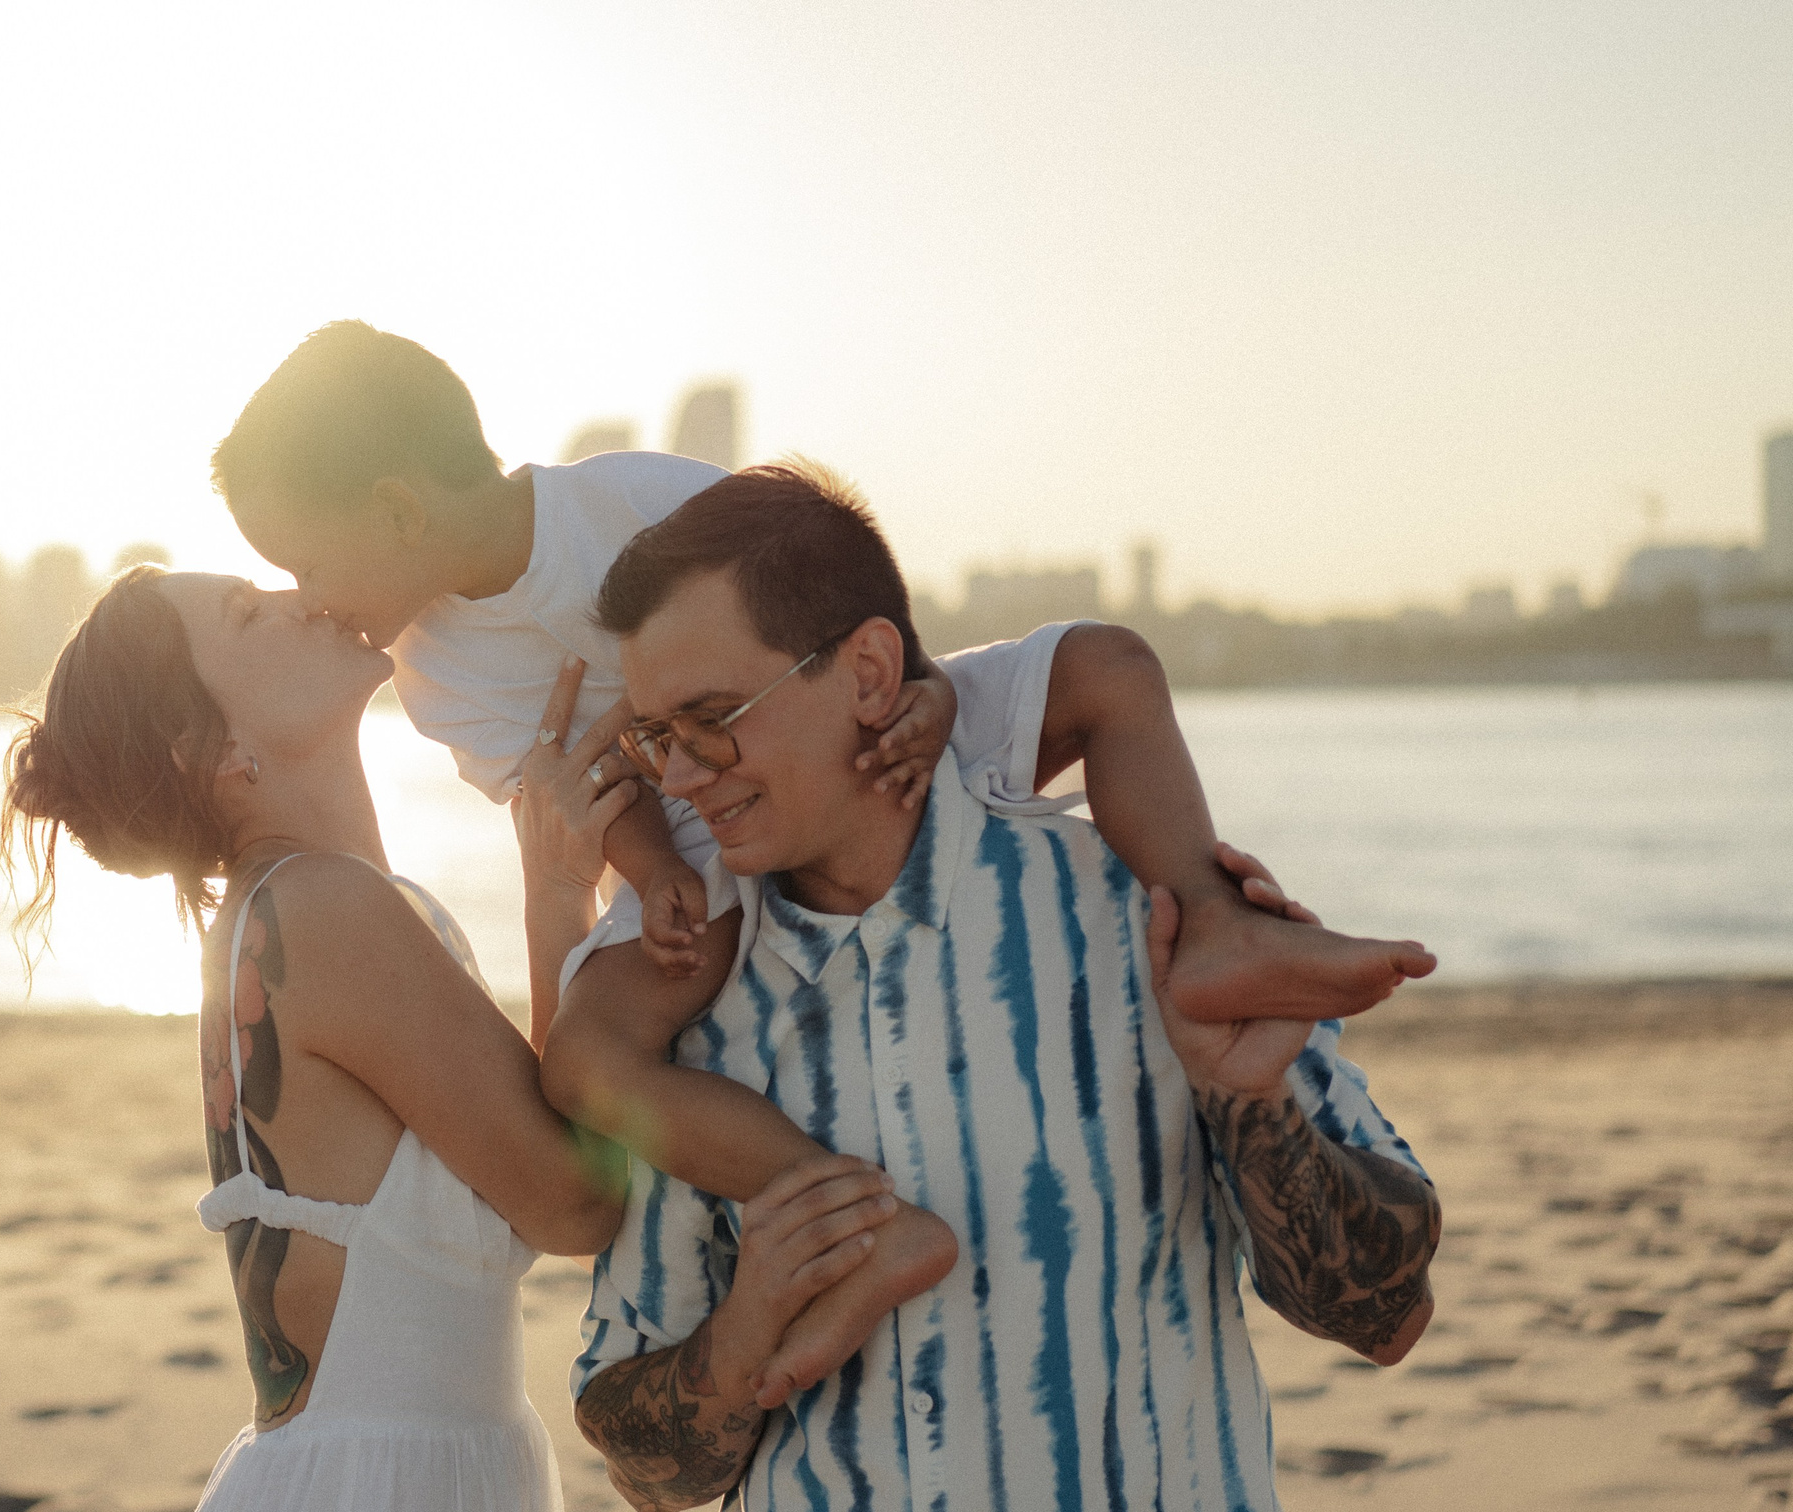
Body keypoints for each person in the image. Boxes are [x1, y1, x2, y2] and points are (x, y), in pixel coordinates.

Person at [211, 321, 1436, 1407]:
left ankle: (1214, 926)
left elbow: (824, 591)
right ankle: (841, 1206)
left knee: (1107, 667)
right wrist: (653, 867)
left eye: (305, 563)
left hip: (860, 734)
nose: (305, 597)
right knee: (584, 1060)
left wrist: (923, 693)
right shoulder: (435, 674)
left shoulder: (639, 498)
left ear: (398, 510)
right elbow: (564, 789)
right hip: (689, 848)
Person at [567, 464, 1444, 1512]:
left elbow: (1385, 1316)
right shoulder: (681, 1020)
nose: (682, 776)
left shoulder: (1148, 921)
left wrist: (1254, 1111)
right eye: (655, 736)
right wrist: (743, 1331)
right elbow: (644, 1471)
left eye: (713, 717)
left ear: (869, 673)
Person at [0, 565, 632, 1512]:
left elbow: (531, 1149)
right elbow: (574, 1198)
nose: (296, 597)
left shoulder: (305, 905)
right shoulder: (326, 912)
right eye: (248, 615)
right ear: (218, 753)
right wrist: (554, 895)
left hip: (364, 1511)